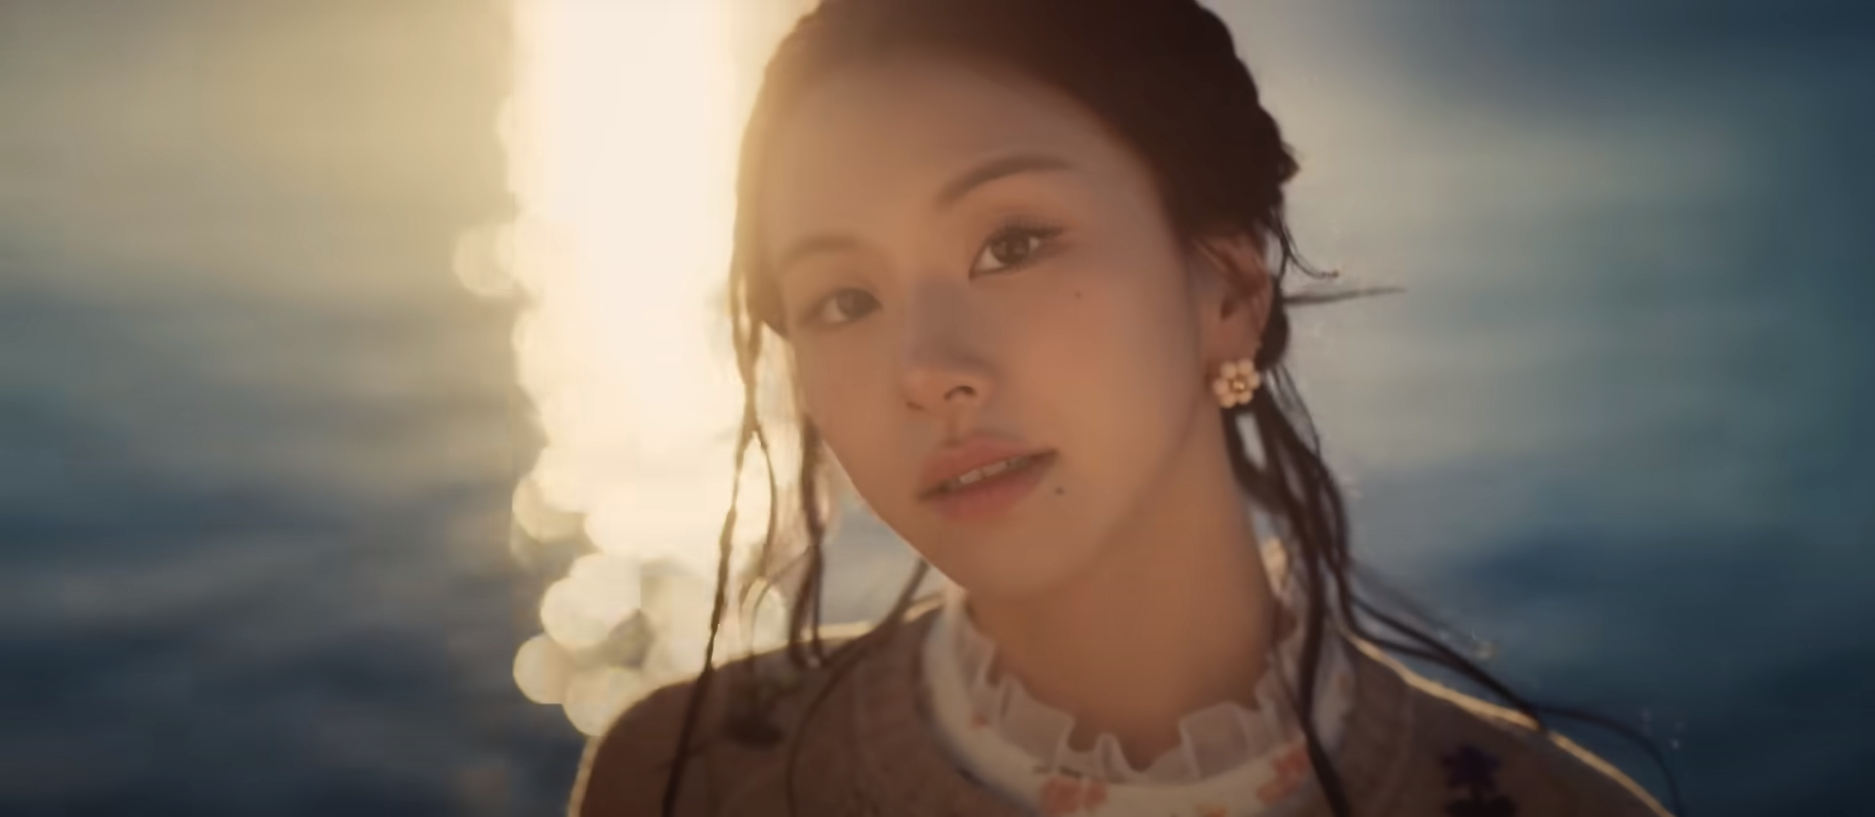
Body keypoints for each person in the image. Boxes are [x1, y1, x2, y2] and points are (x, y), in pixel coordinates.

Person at [572, 0, 1680, 814]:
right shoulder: (688, 777)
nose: (926, 367)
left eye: (1012, 243)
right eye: (844, 298)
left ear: (1230, 292)